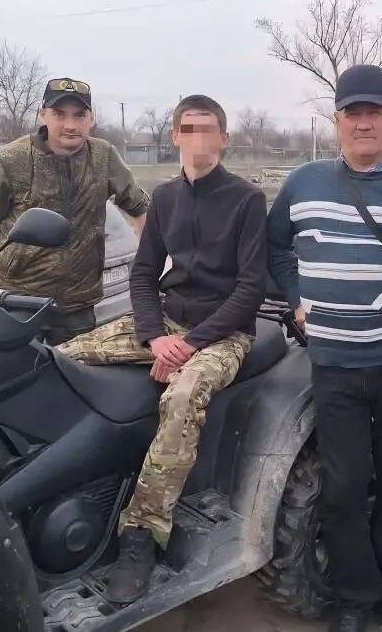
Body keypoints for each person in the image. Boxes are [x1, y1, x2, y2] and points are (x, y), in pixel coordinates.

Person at [267, 65, 382, 632]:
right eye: (354, 112)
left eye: (376, 112)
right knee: (344, 489)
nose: (364, 122)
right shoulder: (303, 183)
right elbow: (275, 249)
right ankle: (354, 597)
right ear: (337, 120)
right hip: (334, 367)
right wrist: (297, 299)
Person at [97, 94, 268, 604]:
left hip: (224, 333)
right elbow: (144, 273)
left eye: (208, 129)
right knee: (62, 355)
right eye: (188, 129)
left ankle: (142, 534)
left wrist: (189, 345)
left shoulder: (246, 199)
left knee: (182, 394)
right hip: (167, 324)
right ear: (174, 136)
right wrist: (155, 336)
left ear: (223, 138)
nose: (198, 139)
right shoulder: (165, 198)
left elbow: (250, 290)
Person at [0, 77, 148, 345]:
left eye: (79, 115)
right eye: (59, 114)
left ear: (91, 119)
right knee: (19, 368)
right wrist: (21, 257)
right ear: (42, 115)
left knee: (75, 369)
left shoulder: (103, 156)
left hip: (78, 306)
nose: (70, 125)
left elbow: (140, 208)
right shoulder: (12, 160)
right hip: (20, 302)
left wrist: (148, 264)